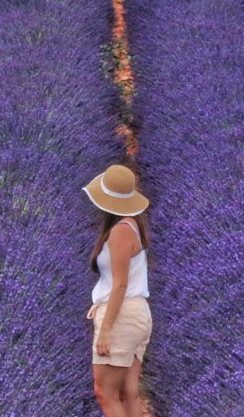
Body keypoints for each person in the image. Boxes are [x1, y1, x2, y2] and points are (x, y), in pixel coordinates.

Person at [83, 163, 152, 417]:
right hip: (137, 314)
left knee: (105, 393)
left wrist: (105, 330)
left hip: (121, 315)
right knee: (127, 392)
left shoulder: (120, 232)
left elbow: (120, 285)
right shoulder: (132, 224)